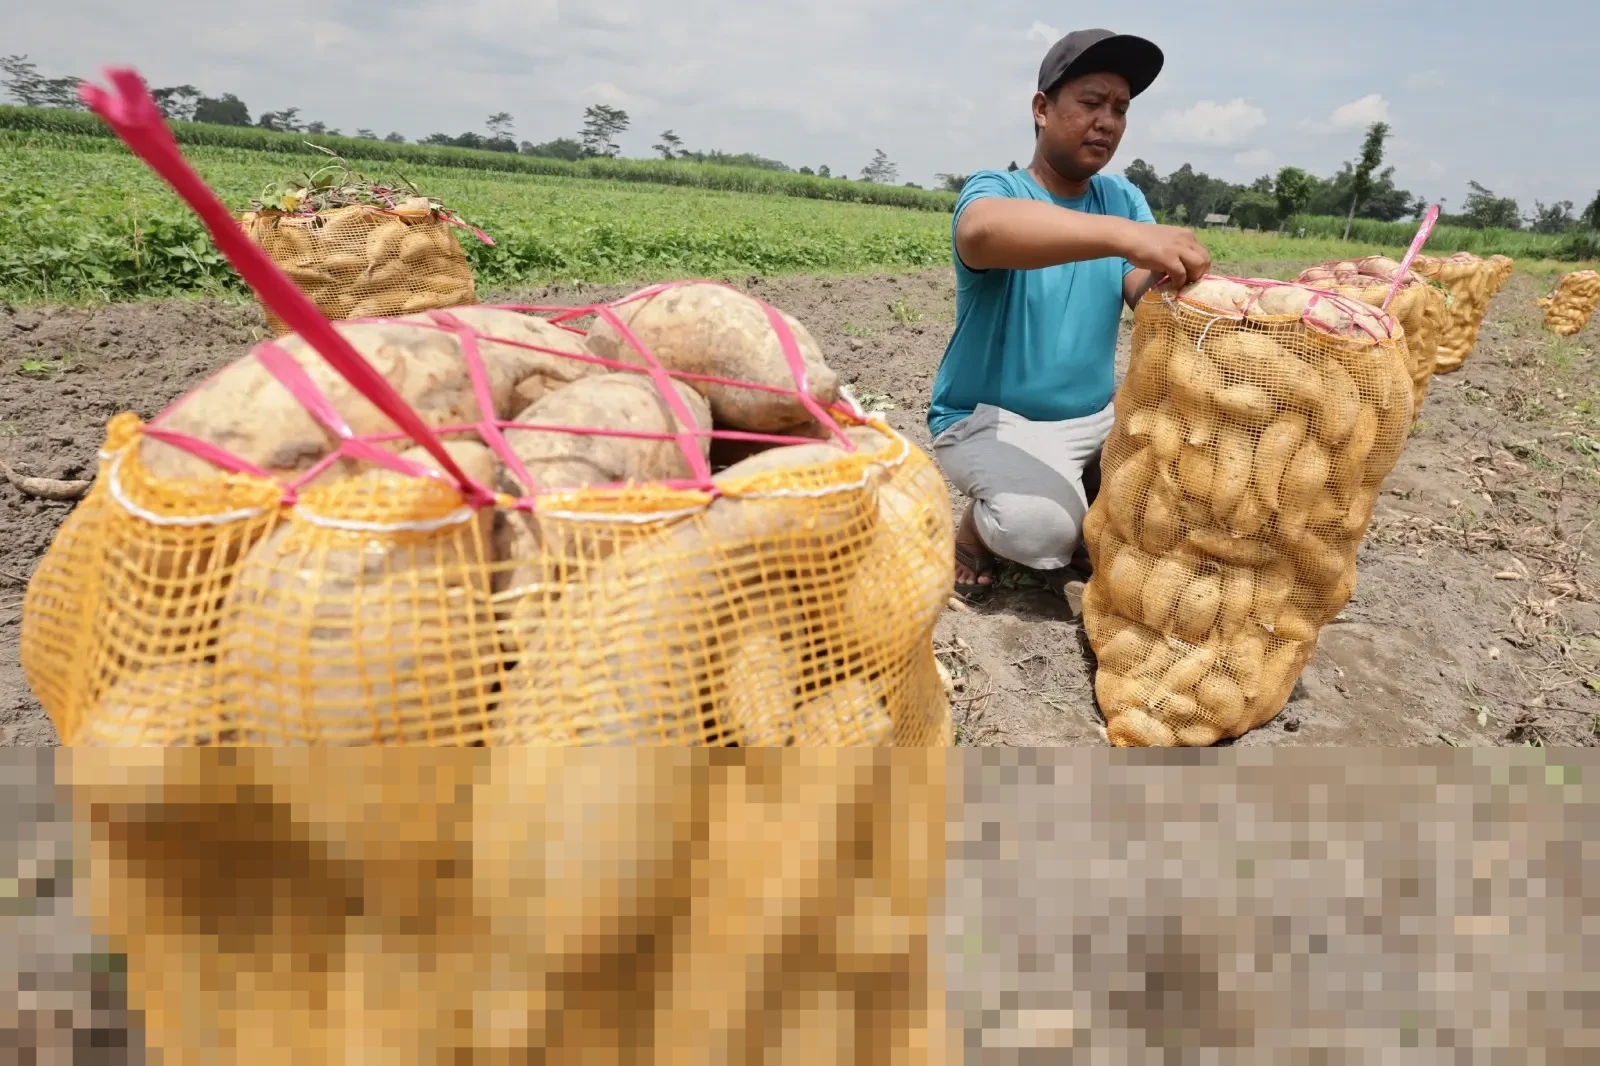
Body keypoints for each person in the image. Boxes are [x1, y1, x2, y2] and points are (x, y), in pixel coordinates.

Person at [930, 27, 1212, 605]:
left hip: (1096, 421)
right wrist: (1128, 236)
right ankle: (975, 533)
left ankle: (1089, 485)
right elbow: (981, 234)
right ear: (1041, 109)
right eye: (1090, 102)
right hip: (989, 420)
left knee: (1189, 494)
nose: (1106, 121)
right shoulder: (998, 190)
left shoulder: (1122, 198)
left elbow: (1143, 288)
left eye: (1120, 108)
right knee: (1042, 534)